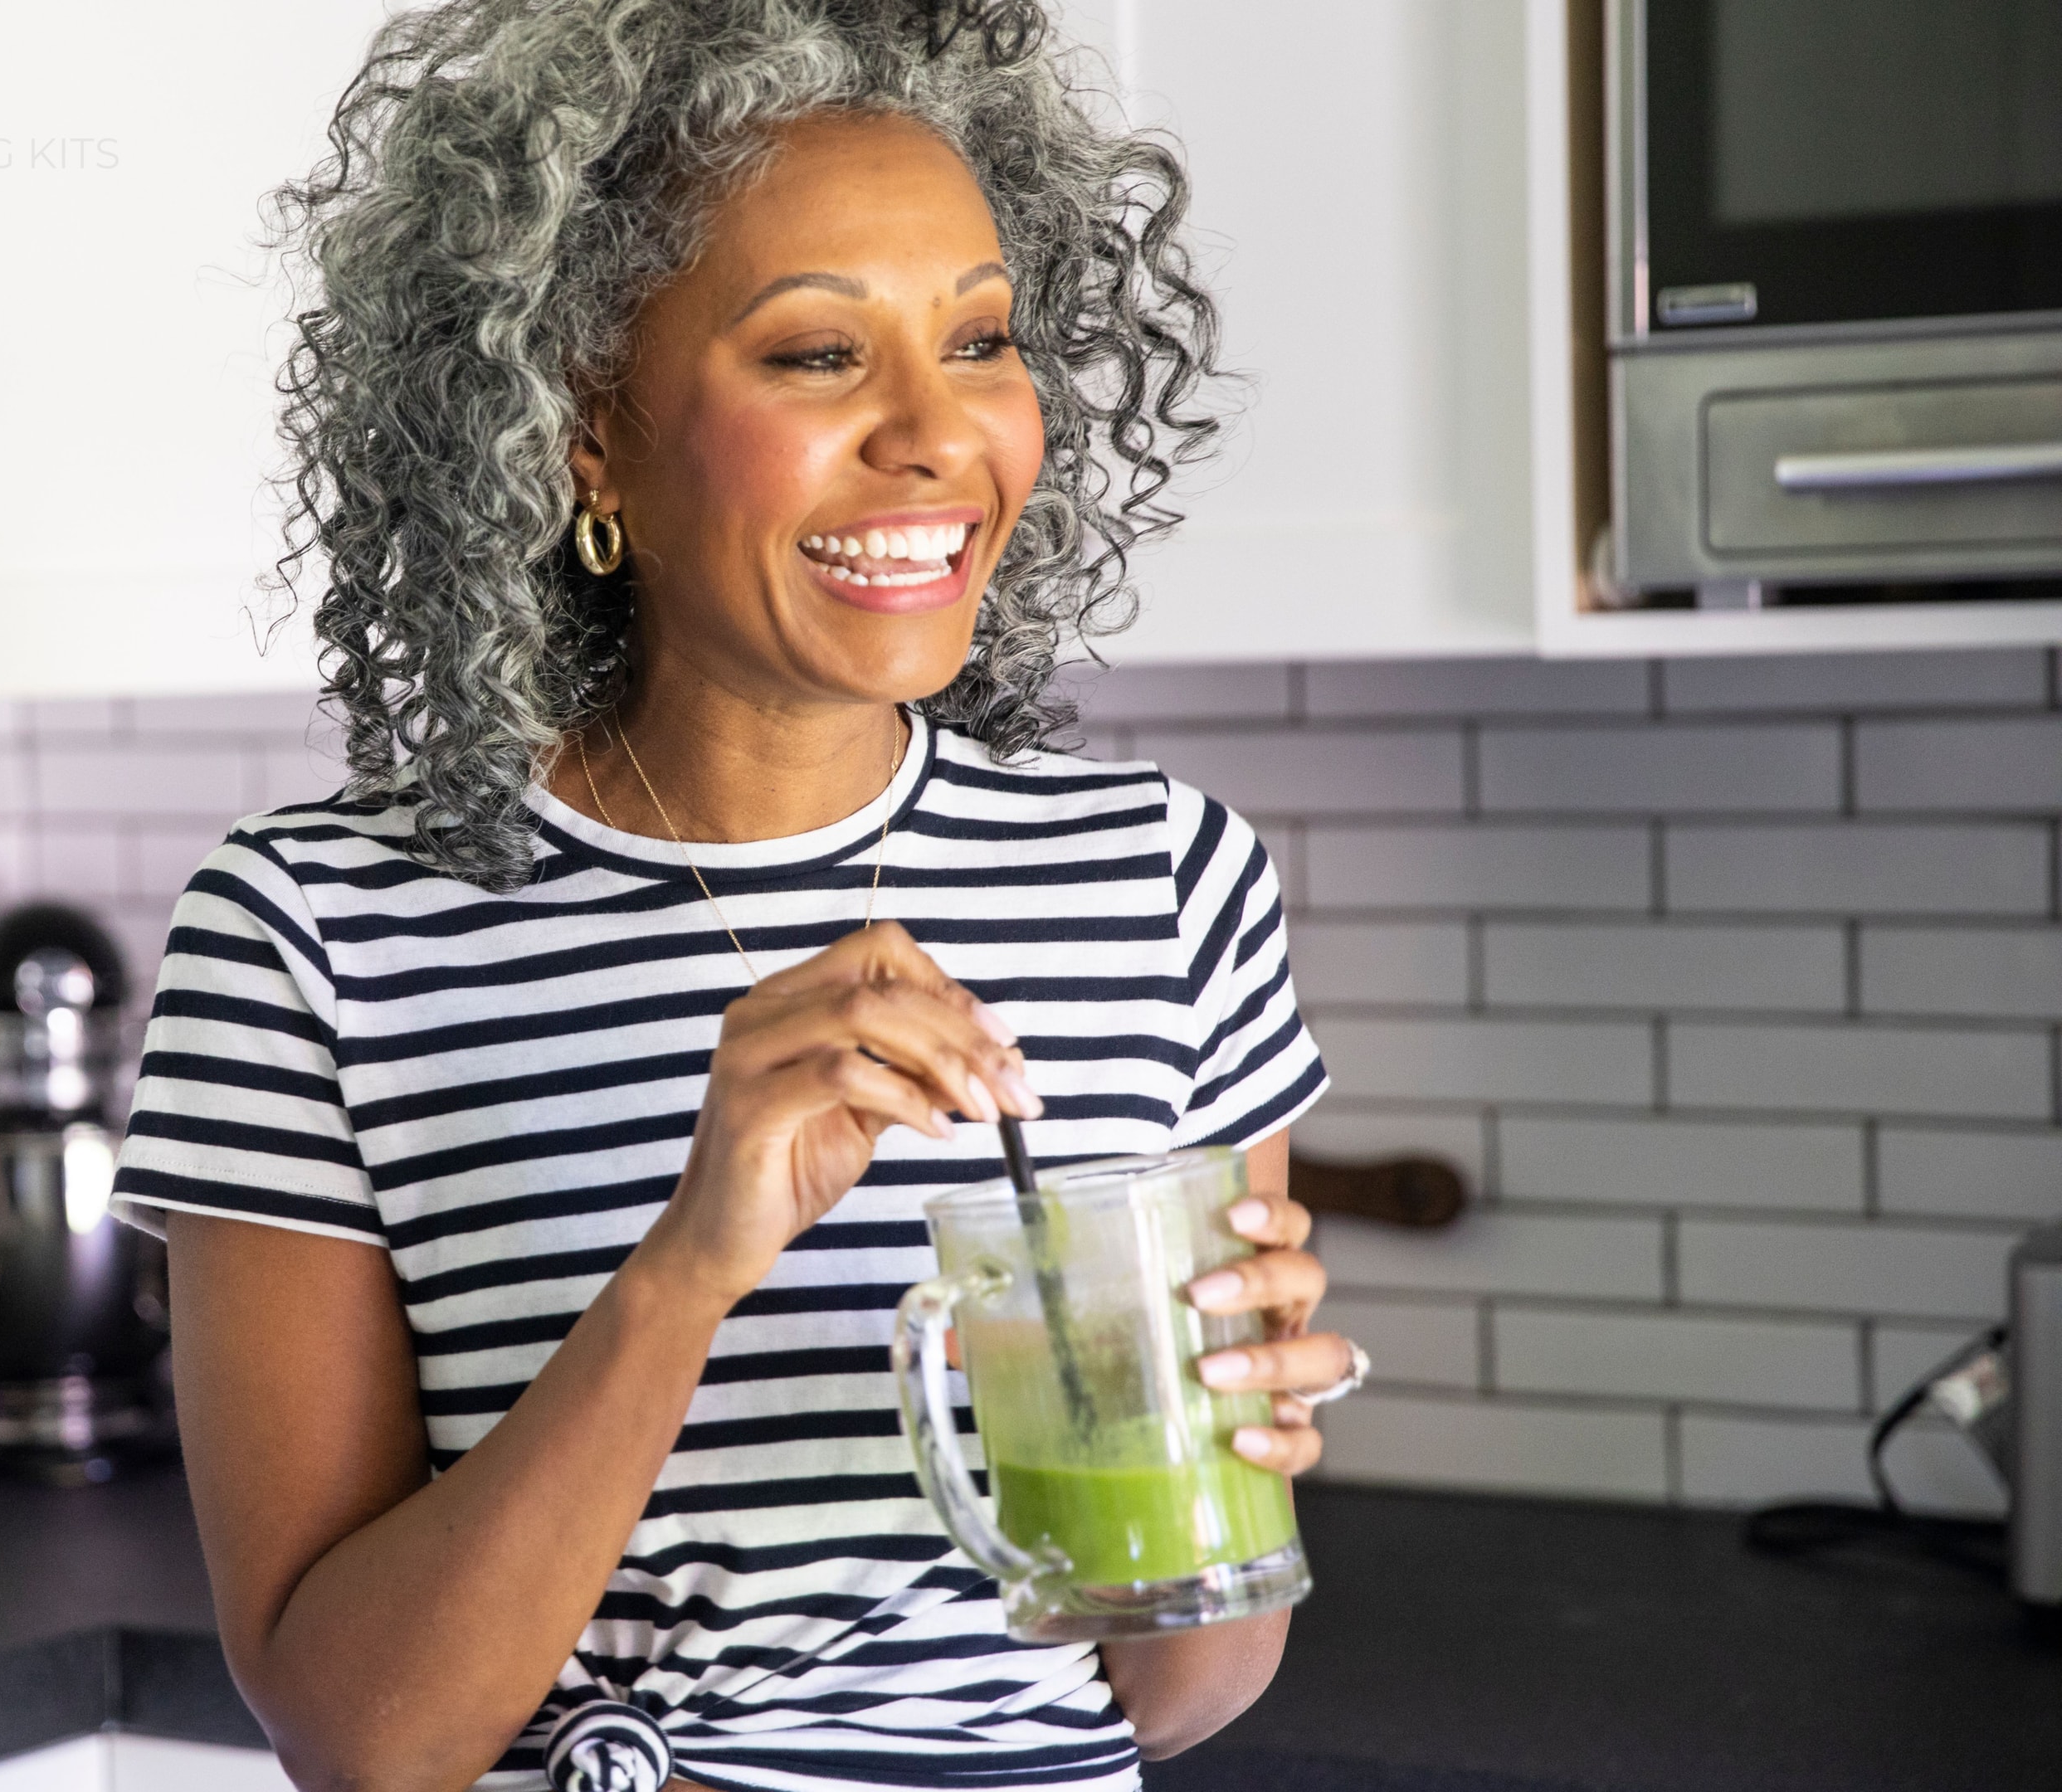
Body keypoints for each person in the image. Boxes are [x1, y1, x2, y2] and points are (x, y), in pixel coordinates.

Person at [112, 4, 1358, 1787]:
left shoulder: (1163, 885)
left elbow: (1184, 1687)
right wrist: (691, 1266)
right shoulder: (315, 934)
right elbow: (357, 1738)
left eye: (983, 340)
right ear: (585, 434)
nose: (939, 437)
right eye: (817, 357)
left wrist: (1221, 1443)